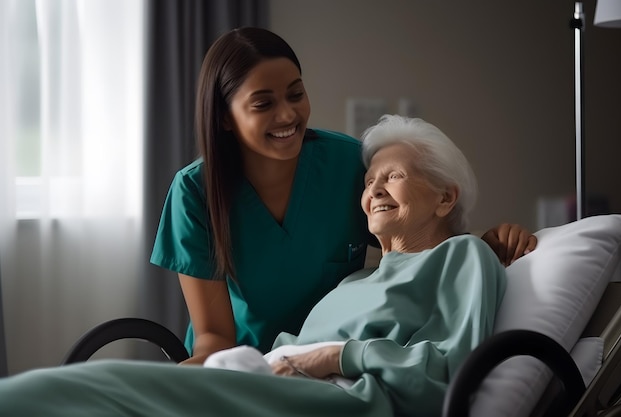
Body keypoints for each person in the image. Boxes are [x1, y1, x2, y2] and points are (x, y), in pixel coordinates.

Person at [0, 115, 507, 417]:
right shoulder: (358, 277)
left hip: (334, 400)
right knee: (101, 393)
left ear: (445, 198)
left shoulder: (463, 256)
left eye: (392, 177)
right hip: (264, 378)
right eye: (369, 181)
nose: (372, 190)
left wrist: (334, 357)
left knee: (95, 390)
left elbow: (453, 370)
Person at [148, 26, 535, 365]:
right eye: (264, 104)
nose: (287, 115)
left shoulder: (349, 165)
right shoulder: (196, 191)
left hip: (331, 360)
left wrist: (486, 244)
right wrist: (216, 381)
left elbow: (418, 251)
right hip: (247, 361)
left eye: (296, 94)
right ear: (223, 117)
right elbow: (215, 337)